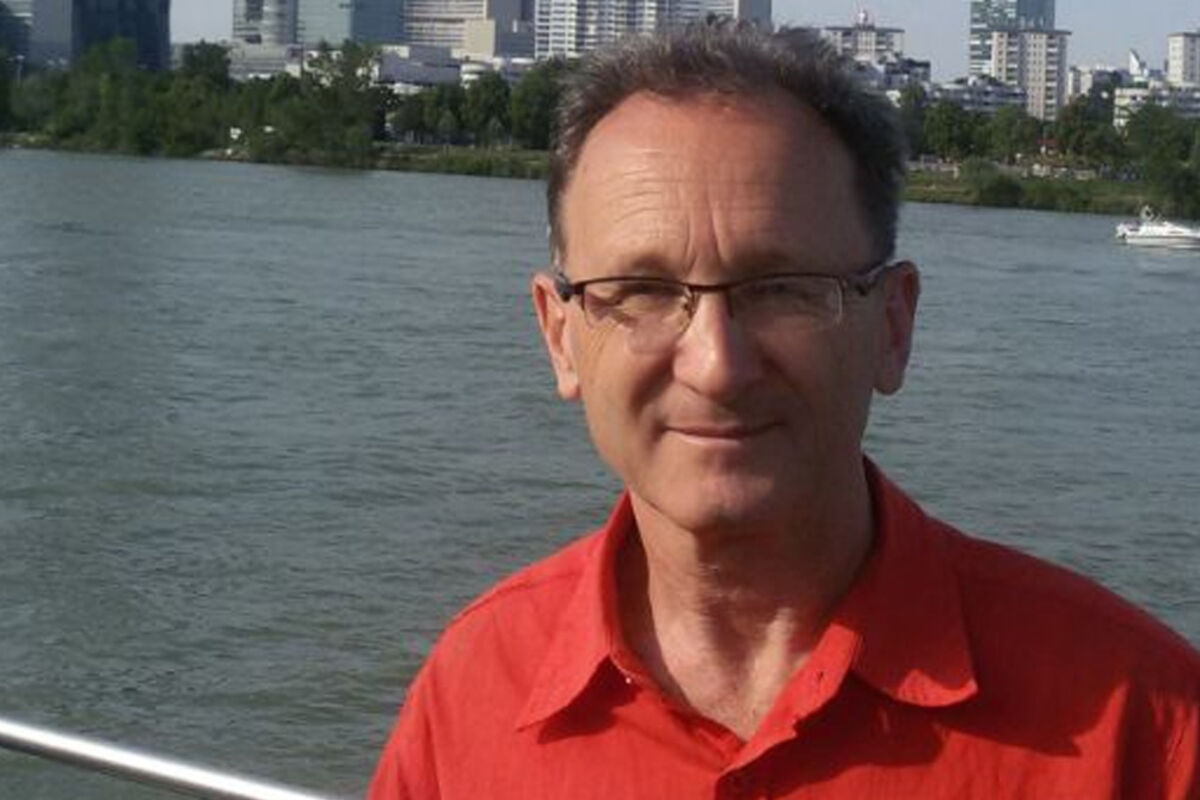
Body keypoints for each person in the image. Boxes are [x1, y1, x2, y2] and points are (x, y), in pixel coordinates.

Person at [369, 24, 1200, 798]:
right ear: (560, 337)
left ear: (894, 326)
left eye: (783, 290)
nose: (716, 365)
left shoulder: (1144, 728)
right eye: (642, 291)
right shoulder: (471, 693)